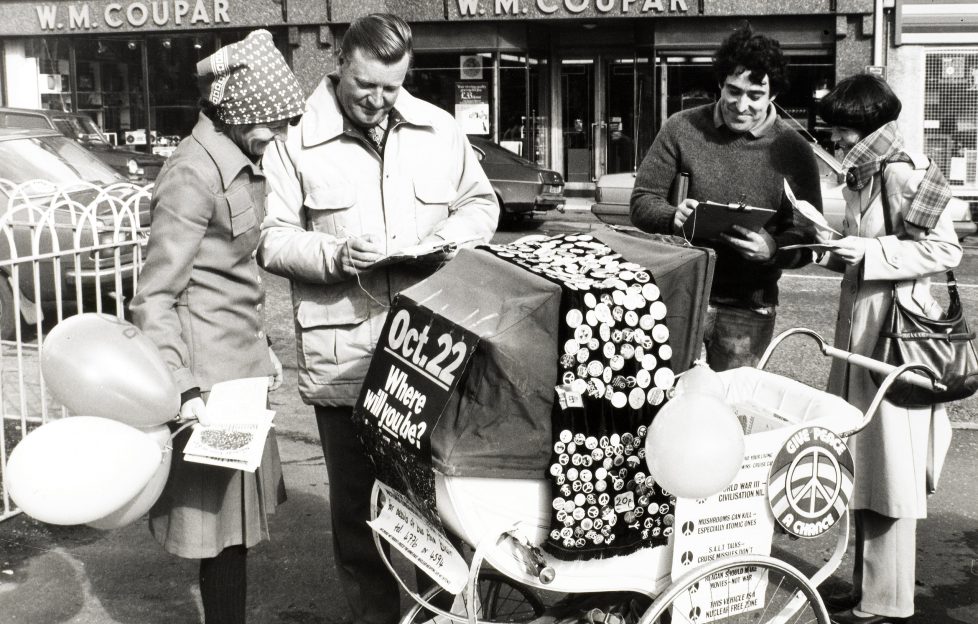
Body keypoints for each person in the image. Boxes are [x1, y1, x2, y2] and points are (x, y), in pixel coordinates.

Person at [257, 13, 498, 624]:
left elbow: (481, 202)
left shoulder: (439, 130)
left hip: (432, 358)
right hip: (348, 364)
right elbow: (273, 240)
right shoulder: (294, 142)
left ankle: (447, 616)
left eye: (392, 87)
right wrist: (335, 254)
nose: (378, 100)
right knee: (362, 521)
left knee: (444, 512)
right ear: (340, 62)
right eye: (365, 85)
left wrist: (448, 238)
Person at [130, 29, 305, 624]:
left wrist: (265, 349)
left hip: (240, 377)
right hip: (209, 391)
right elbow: (156, 294)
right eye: (272, 124)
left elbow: (231, 277)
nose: (277, 138)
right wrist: (180, 387)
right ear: (238, 113)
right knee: (221, 538)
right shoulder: (192, 173)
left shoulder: (234, 159)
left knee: (235, 537)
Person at [815, 74, 961, 624]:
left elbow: (946, 250)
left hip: (897, 341)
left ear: (868, 129)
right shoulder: (866, 173)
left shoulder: (903, 172)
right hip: (864, 335)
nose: (834, 141)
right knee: (868, 464)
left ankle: (888, 599)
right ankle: (867, 587)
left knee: (892, 469)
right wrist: (829, 248)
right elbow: (866, 250)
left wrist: (869, 251)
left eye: (842, 130)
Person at [629, 24, 822, 371]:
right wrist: (672, 216)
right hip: (679, 294)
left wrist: (772, 249)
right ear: (720, 83)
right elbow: (642, 201)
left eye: (754, 95)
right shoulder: (681, 128)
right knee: (665, 400)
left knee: (731, 409)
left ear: (772, 95)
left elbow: (809, 237)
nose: (741, 104)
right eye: (733, 90)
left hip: (749, 305)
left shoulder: (794, 149)